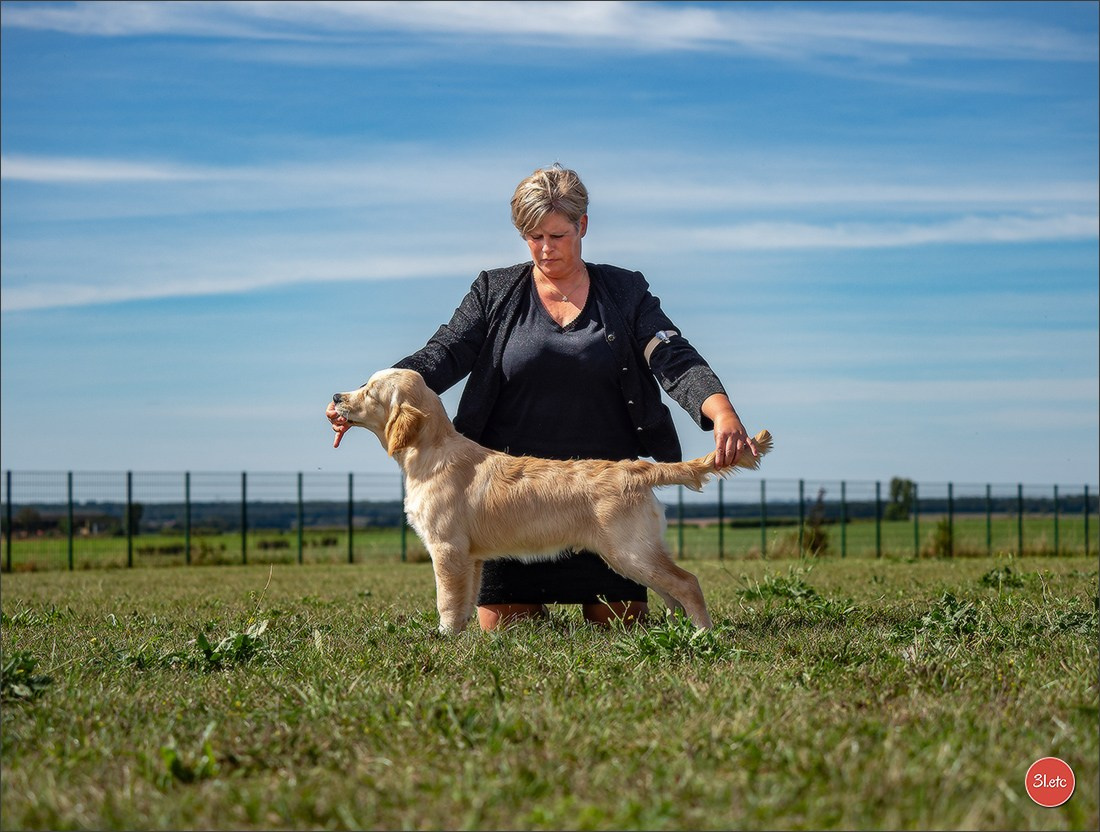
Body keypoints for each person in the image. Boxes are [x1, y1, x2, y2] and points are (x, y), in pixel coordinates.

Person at [327, 164, 758, 631]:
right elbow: (443, 354)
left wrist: (721, 411)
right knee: (509, 633)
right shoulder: (494, 290)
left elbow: (671, 356)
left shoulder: (624, 290)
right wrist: (371, 401)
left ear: (583, 226)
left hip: (596, 492)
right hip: (505, 499)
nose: (546, 249)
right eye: (534, 237)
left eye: (558, 235)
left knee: (618, 627)